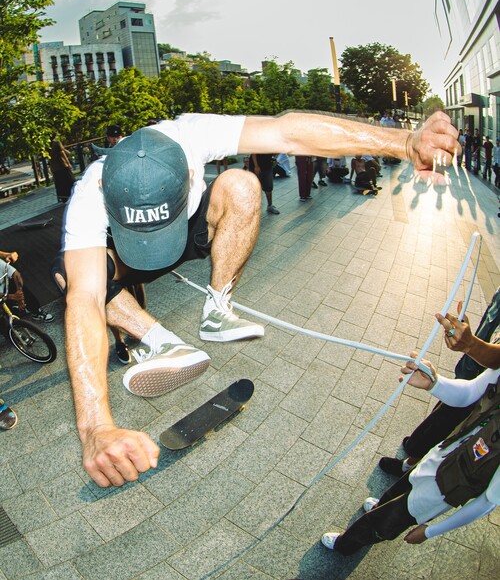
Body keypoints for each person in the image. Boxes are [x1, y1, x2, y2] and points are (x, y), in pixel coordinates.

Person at [61, 109, 459, 488]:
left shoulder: (190, 136)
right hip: (124, 261)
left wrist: (404, 143)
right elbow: (86, 301)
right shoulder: (88, 195)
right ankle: (162, 341)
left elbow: (290, 132)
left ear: (191, 171)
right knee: (67, 276)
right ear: (104, 189)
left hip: (192, 233)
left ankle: (217, 308)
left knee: (242, 184)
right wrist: (95, 427)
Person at [321, 359, 499, 555]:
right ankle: (380, 506)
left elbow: (487, 502)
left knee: (383, 523)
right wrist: (434, 383)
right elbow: (472, 391)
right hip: (442, 456)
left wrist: (430, 531)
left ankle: (346, 545)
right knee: (398, 490)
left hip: (444, 489)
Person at [379, 289, 500, 477]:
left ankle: (410, 465)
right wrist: (436, 383)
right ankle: (415, 450)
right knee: (441, 414)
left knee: (444, 426)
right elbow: (471, 390)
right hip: (470, 378)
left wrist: (471, 345)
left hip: (483, 413)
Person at [0, 253, 53, 322]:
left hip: (4, 288)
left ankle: (36, 311)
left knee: (16, 283)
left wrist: (19, 295)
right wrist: (12, 297)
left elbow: (16, 274)